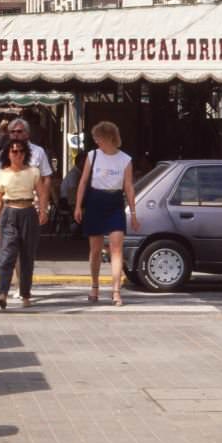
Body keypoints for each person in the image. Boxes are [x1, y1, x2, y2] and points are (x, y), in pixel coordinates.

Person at [73, 121, 139, 306]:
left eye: (98, 137)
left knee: (116, 248)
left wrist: (133, 213)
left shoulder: (125, 159)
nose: (96, 141)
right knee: (95, 249)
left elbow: (128, 187)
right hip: (95, 201)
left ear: (109, 137)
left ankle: (116, 291)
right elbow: (84, 182)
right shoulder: (93, 156)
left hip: (115, 202)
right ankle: (94, 286)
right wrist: (78, 206)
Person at [0, 138, 48, 309]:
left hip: (28, 212)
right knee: (6, 255)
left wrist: (43, 211)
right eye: (14, 151)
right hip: (9, 212)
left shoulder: (33, 172)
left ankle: (25, 294)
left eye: (21, 151)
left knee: (27, 256)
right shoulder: (2, 173)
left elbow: (42, 192)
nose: (18, 155)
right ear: (8, 154)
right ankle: (3, 293)